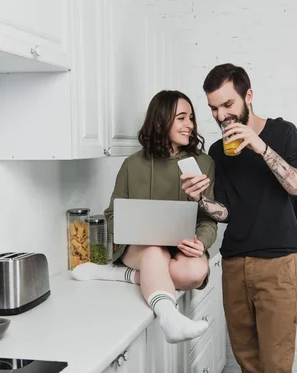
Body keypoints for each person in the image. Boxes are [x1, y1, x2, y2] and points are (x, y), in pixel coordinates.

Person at [181, 63, 297, 373]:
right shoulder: (218, 151)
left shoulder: (283, 134)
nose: (221, 116)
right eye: (214, 108)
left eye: (228, 105)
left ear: (249, 96)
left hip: (278, 265)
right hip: (234, 266)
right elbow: (225, 212)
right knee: (251, 372)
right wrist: (199, 200)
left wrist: (261, 147)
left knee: (276, 372)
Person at [72, 90, 218, 344]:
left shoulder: (203, 163)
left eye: (191, 118)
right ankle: (169, 318)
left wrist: (201, 243)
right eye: (182, 118)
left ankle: (121, 275)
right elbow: (112, 214)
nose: (190, 125)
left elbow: (208, 218)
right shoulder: (132, 164)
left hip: (183, 245)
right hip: (139, 248)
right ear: (161, 121)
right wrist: (132, 229)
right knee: (154, 252)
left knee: (195, 273)